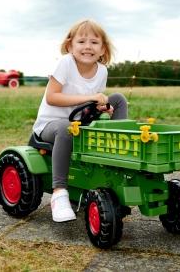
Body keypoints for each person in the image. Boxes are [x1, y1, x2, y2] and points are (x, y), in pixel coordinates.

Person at [32, 19, 128, 222]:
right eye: (81, 41)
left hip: (80, 123)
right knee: (67, 129)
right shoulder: (65, 63)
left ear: (102, 49)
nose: (87, 47)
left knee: (118, 99)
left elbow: (94, 102)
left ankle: (116, 158)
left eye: (94, 42)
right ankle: (59, 193)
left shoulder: (102, 71)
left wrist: (103, 107)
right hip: (52, 124)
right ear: (70, 46)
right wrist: (89, 98)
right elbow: (52, 97)